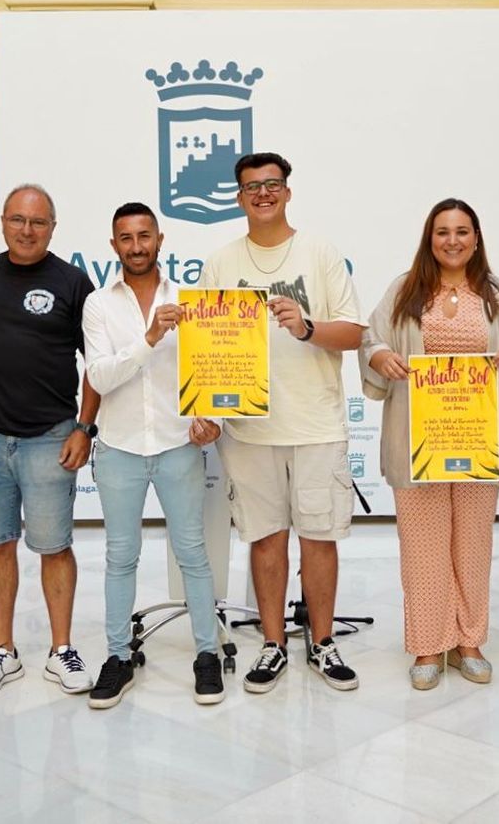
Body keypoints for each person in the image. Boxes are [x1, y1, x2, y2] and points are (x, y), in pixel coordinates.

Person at [199, 152, 366, 693]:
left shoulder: (320, 252)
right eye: (252, 186)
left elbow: (354, 333)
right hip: (250, 429)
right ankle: (272, 644)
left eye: (272, 184)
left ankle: (323, 642)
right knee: (265, 540)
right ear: (239, 198)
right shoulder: (222, 261)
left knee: (319, 539)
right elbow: (206, 346)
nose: (263, 193)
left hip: (316, 423)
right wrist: (206, 405)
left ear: (288, 192)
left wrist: (307, 326)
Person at [363, 198, 499, 689]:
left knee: (473, 543)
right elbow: (372, 340)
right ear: (430, 238)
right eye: (443, 232)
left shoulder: (498, 294)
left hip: (478, 440)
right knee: (422, 545)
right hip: (420, 440)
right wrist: (381, 359)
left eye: (462, 231)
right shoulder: (405, 290)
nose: (453, 240)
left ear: (476, 239)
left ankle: (469, 641)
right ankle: (428, 643)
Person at [82, 202, 225, 708]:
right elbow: (99, 377)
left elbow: (214, 369)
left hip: (178, 444)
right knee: (121, 557)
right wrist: (149, 338)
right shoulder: (99, 305)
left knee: (193, 554)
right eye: (126, 238)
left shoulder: (190, 300)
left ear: (160, 239)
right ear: (114, 245)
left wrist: (215, 419)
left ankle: (207, 654)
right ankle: (118, 657)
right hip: (119, 447)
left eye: (145, 236)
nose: (136, 246)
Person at [0, 184, 100, 697]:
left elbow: (96, 364)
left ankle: (61, 650)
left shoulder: (73, 283)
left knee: (54, 547)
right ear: (3, 221)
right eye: (17, 220)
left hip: (51, 437)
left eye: (38, 222)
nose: (26, 230)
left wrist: (84, 428)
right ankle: (3, 651)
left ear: (53, 228)